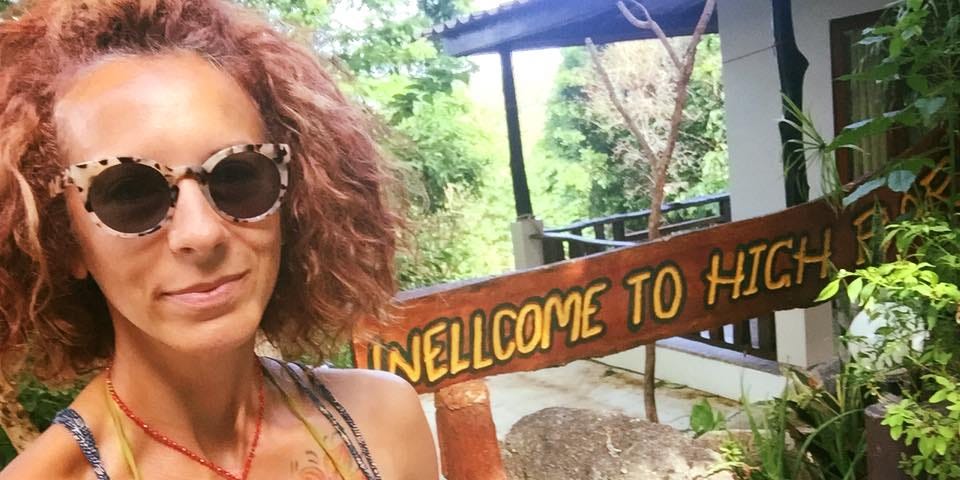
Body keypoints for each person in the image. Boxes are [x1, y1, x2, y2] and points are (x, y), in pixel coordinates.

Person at [0, 0, 438, 478]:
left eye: (237, 176)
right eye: (129, 193)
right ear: (63, 239)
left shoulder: (383, 423)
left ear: (293, 199)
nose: (201, 233)